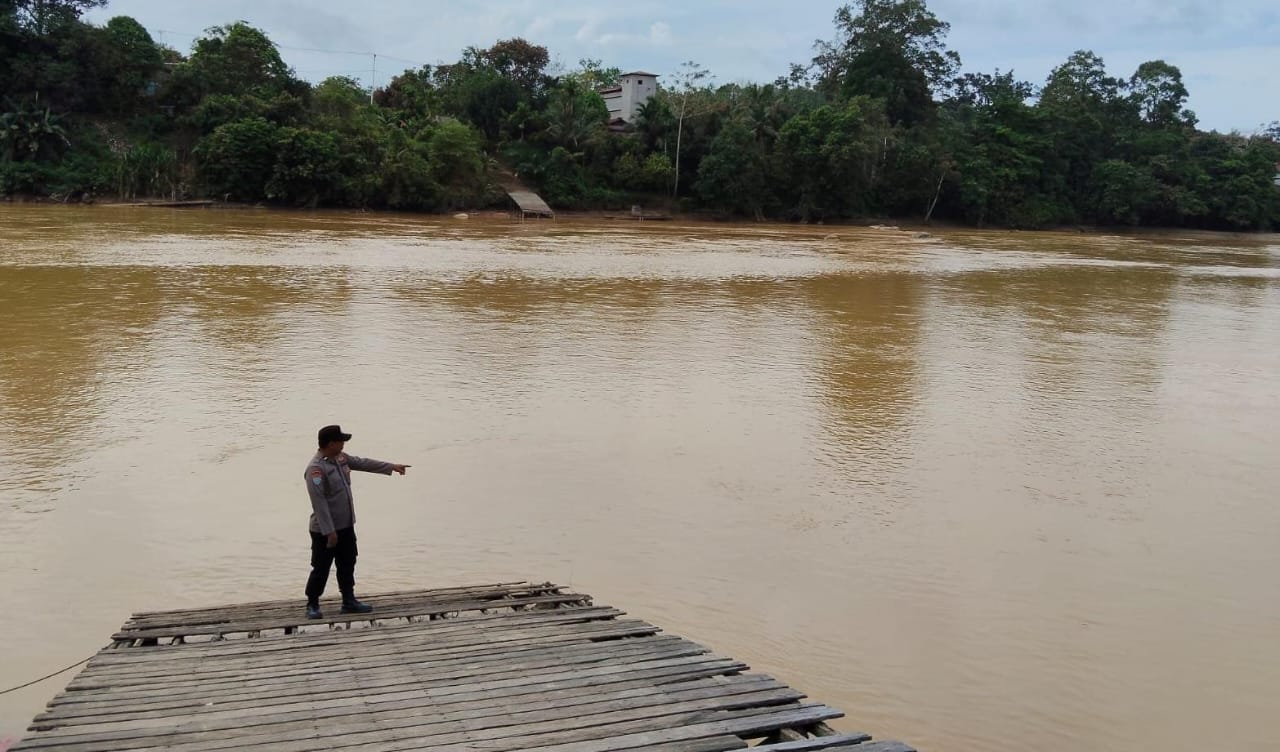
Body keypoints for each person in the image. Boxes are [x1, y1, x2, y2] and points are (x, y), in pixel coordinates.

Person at [303, 424, 410, 619]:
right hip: (325, 530)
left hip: (345, 525)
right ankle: (312, 604)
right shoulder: (316, 470)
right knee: (321, 567)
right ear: (331, 443)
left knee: (348, 563)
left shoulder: (341, 459)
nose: (344, 444)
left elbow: (363, 463)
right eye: (341, 441)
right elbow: (319, 504)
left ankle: (349, 601)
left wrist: (391, 467)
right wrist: (330, 532)